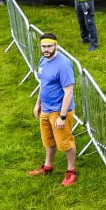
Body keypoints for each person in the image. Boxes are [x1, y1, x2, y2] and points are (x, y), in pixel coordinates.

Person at [29, 34, 79, 186]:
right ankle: (48, 166)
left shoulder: (63, 64)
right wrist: (38, 103)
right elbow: (44, 84)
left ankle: (71, 171)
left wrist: (62, 117)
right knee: (48, 140)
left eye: (49, 46)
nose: (46, 49)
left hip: (59, 111)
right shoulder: (43, 60)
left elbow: (69, 92)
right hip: (45, 108)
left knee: (65, 143)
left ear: (56, 45)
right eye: (44, 46)